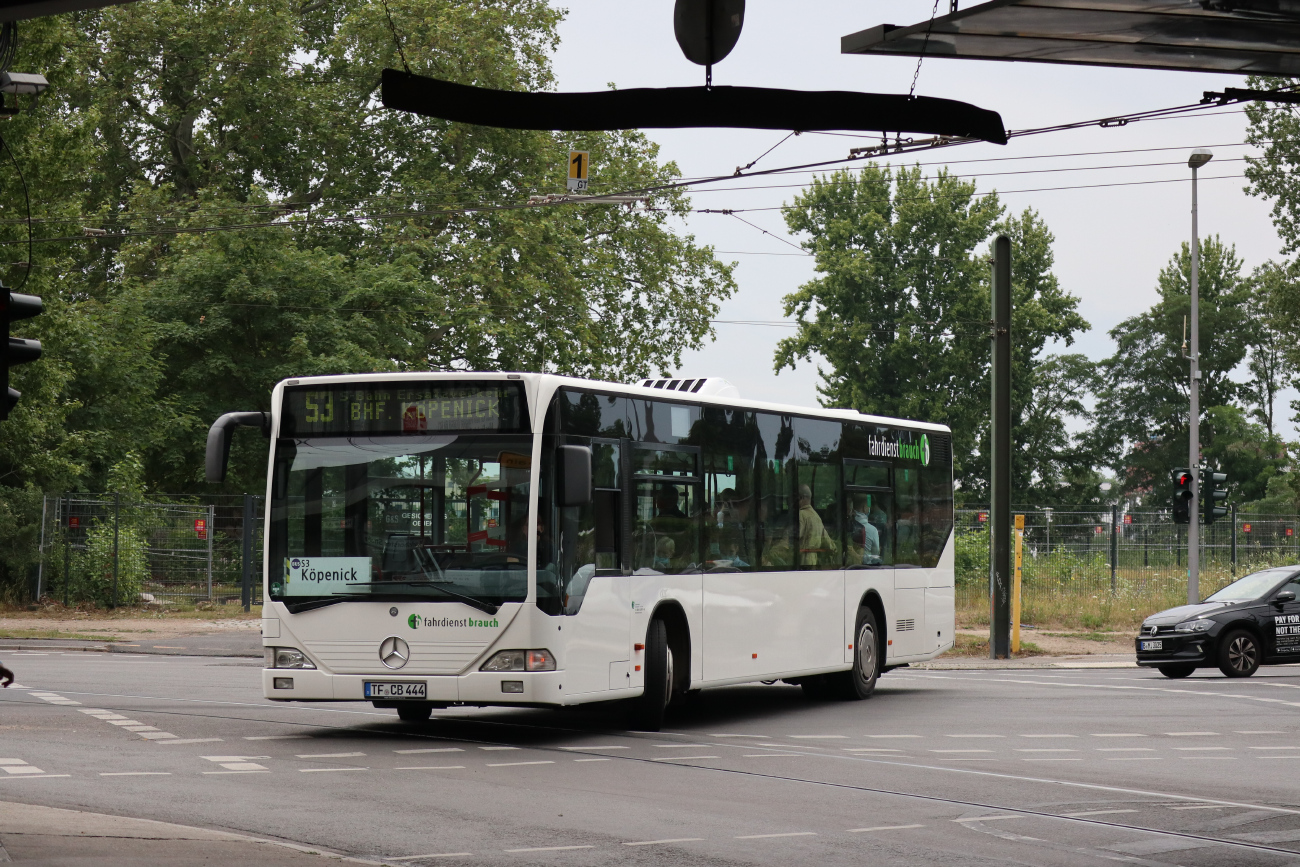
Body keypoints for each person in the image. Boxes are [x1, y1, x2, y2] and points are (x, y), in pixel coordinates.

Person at [797, 484, 835, 567]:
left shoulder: (801, 515)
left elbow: (795, 537)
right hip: (814, 559)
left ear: (802, 498)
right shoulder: (816, 516)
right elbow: (827, 541)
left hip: (802, 559)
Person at [850, 493, 882, 566]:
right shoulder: (872, 530)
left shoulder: (848, 525)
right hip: (866, 568)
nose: (869, 509)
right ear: (864, 508)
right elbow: (875, 554)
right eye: (868, 507)